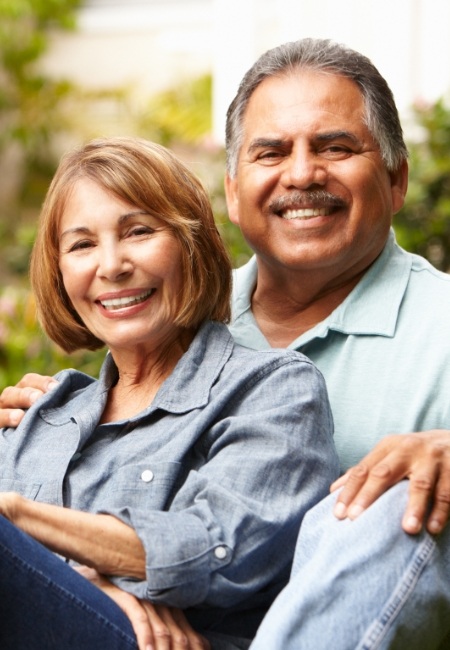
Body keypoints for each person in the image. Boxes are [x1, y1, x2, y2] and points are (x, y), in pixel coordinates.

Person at [2, 37, 450, 648]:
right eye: (271, 152)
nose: (301, 173)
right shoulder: (164, 318)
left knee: (394, 494)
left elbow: (217, 547)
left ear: (396, 180)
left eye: (335, 147)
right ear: (233, 193)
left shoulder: (424, 327)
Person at [0, 135, 338, 650]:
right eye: (82, 244)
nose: (111, 265)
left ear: (191, 244)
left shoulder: (273, 388)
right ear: (60, 270)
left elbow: (219, 550)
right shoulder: (42, 412)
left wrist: (20, 519)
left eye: (138, 231)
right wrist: (93, 584)